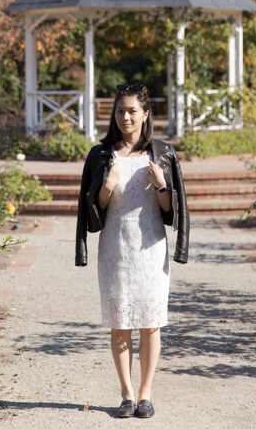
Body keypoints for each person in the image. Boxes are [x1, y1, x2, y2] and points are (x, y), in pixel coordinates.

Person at [75, 84, 189, 419]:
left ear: (145, 114)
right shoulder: (101, 155)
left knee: (151, 324)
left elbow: (171, 211)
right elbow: (95, 214)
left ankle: (146, 394)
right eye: (120, 111)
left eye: (132, 111)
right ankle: (126, 394)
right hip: (115, 249)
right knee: (120, 323)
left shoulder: (161, 153)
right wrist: (106, 187)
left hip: (151, 248)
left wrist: (162, 185)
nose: (126, 117)